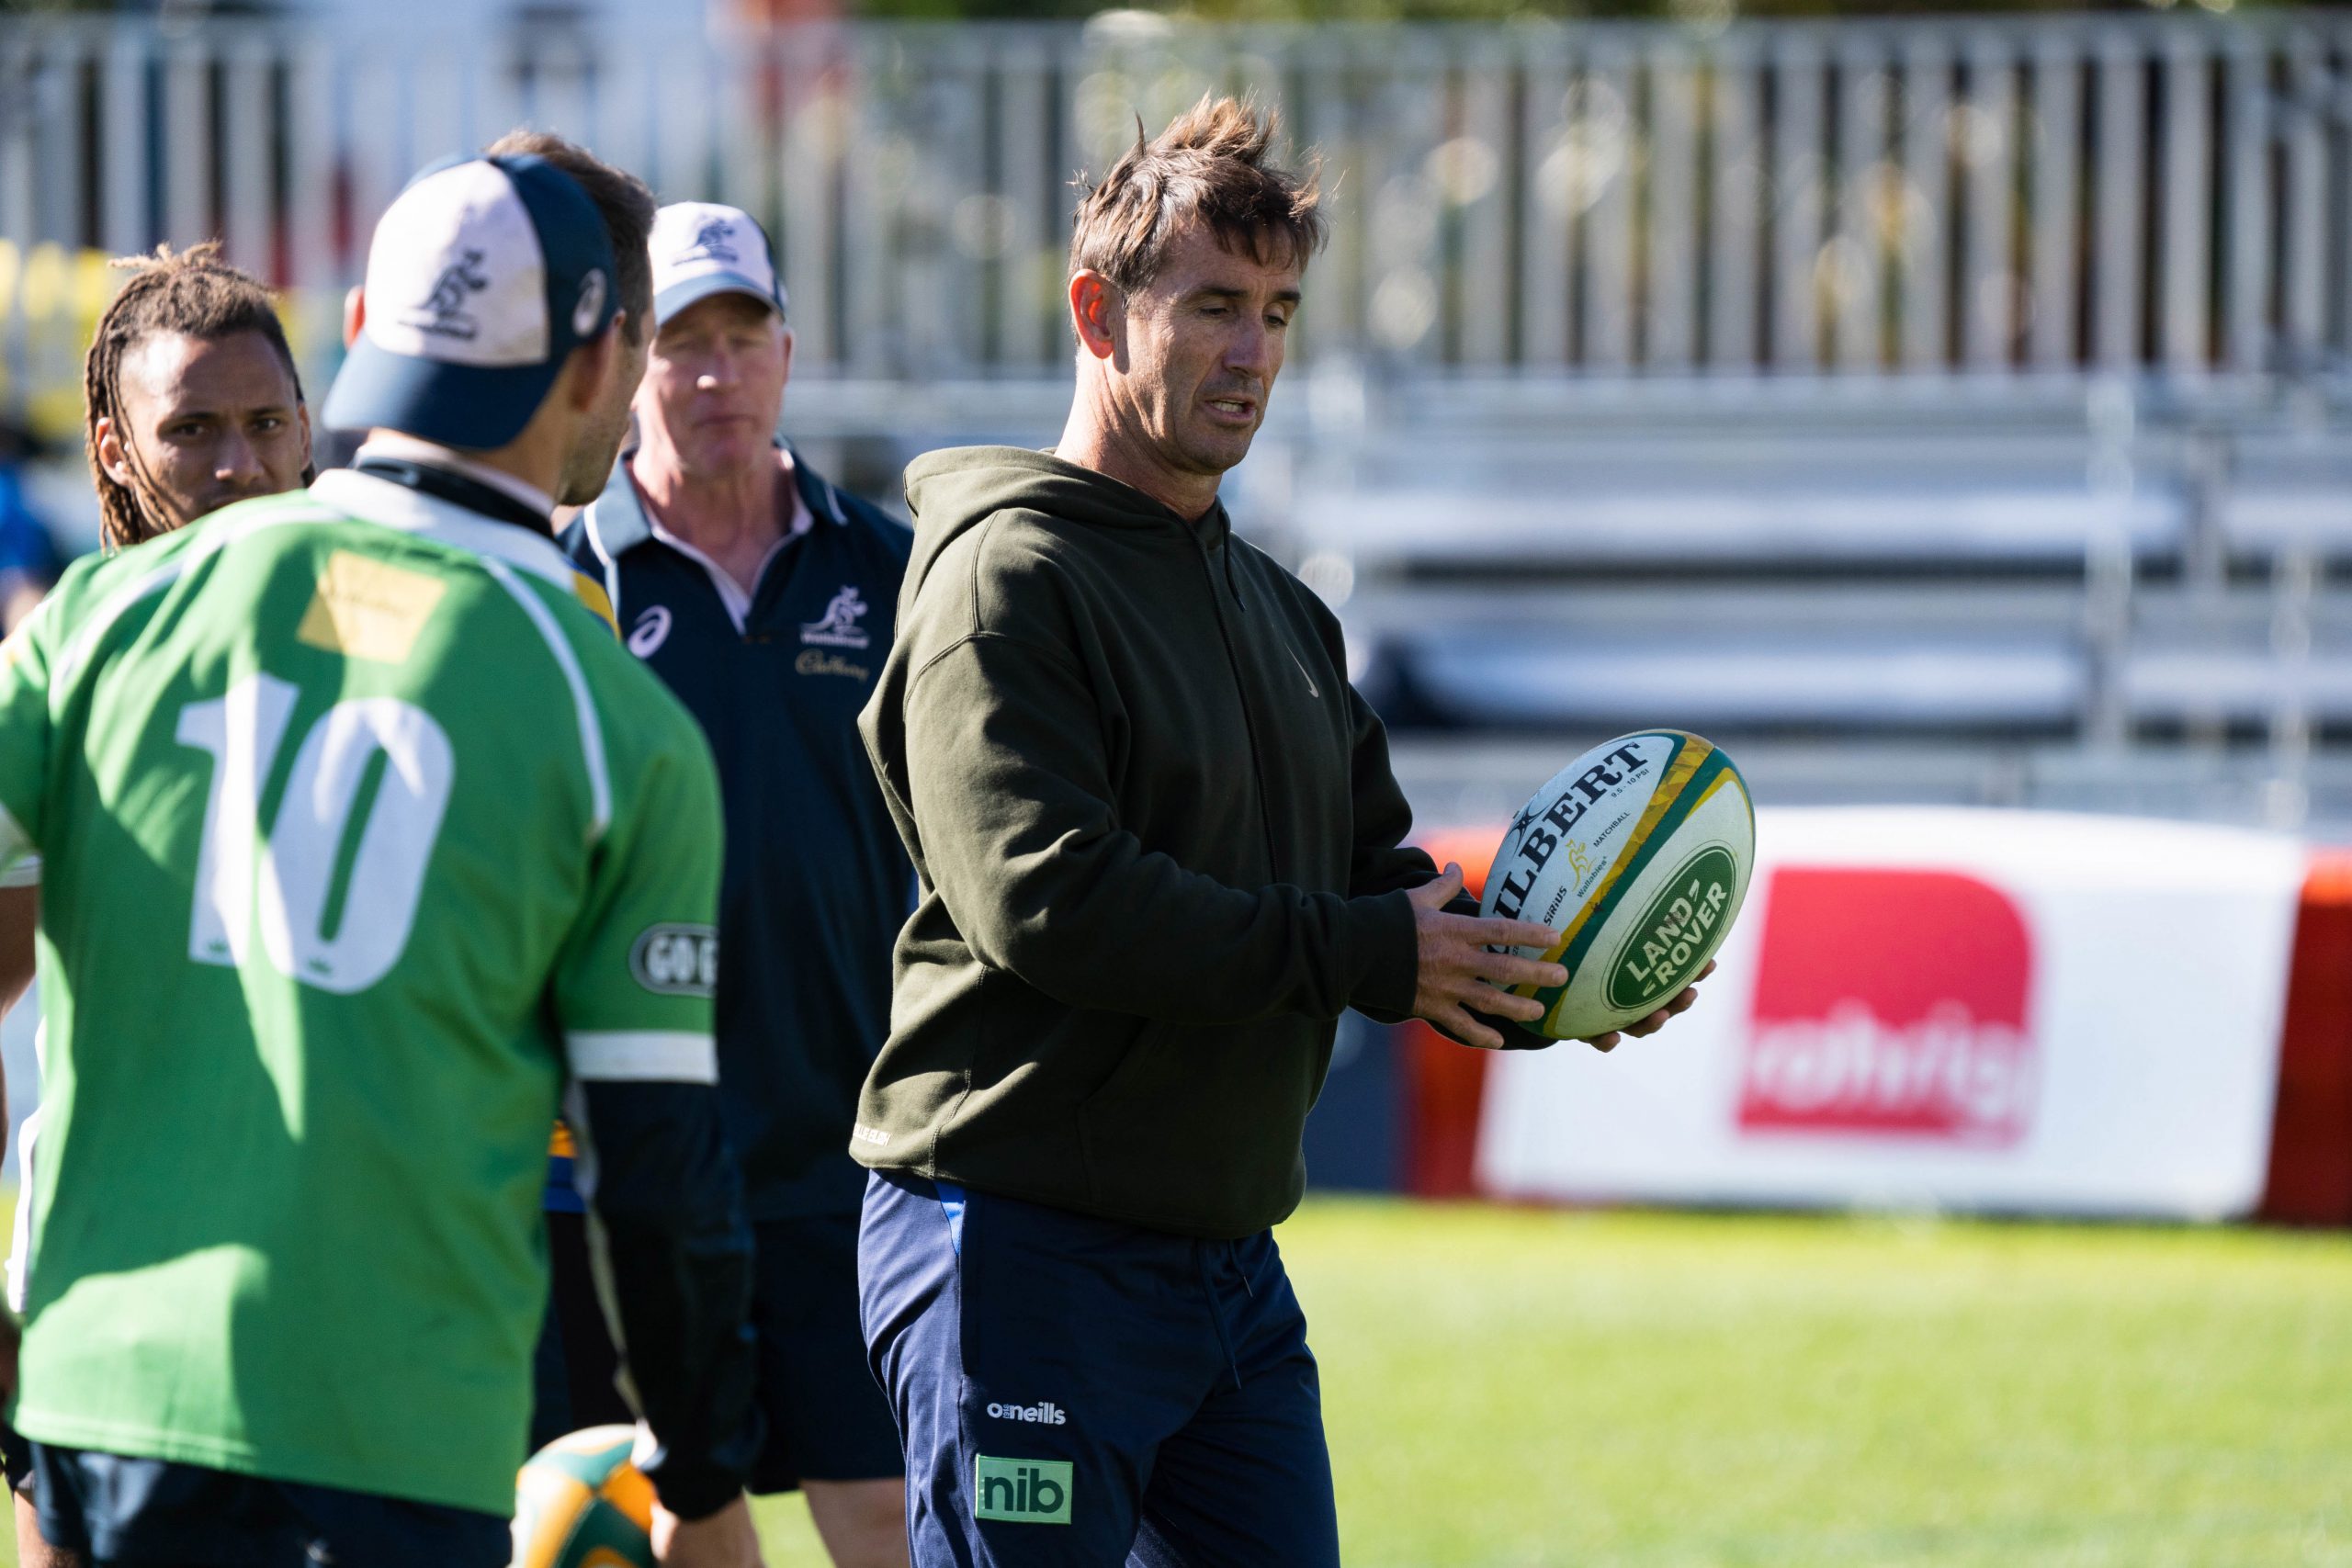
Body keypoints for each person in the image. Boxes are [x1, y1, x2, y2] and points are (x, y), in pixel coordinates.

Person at [852, 96, 1709, 1564]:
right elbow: (1049, 903)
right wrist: (1376, 947)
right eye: (1212, 308)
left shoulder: (1283, 612)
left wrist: (1539, 976)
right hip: (1015, 1243)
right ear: (1096, 311)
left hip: (1227, 1274)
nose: (1252, 353)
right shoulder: (1008, 580)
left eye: (1279, 311)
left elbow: (1374, 892)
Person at [0, 142, 765, 1568]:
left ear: (354, 345)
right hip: (397, 1441)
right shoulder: (618, 727)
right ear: (602, 366)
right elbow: (658, 1182)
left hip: (98, 1412)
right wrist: (705, 1480)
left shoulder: (101, 617)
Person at [555, 200, 913, 1568]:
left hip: (862, 1144)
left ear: (787, 349)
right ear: (633, 357)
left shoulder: (891, 568)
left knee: (881, 1503)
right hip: (645, 1152)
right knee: (678, 1512)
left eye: (742, 336)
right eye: (682, 341)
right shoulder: (565, 578)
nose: (714, 374)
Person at [0, 239, 320, 1568]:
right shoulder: (55, 666)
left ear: (313, 430)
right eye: (191, 428)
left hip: (354, 1309)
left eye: (263, 422)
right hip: (104, 1320)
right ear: (117, 450)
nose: (237, 463)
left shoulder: (420, 648)